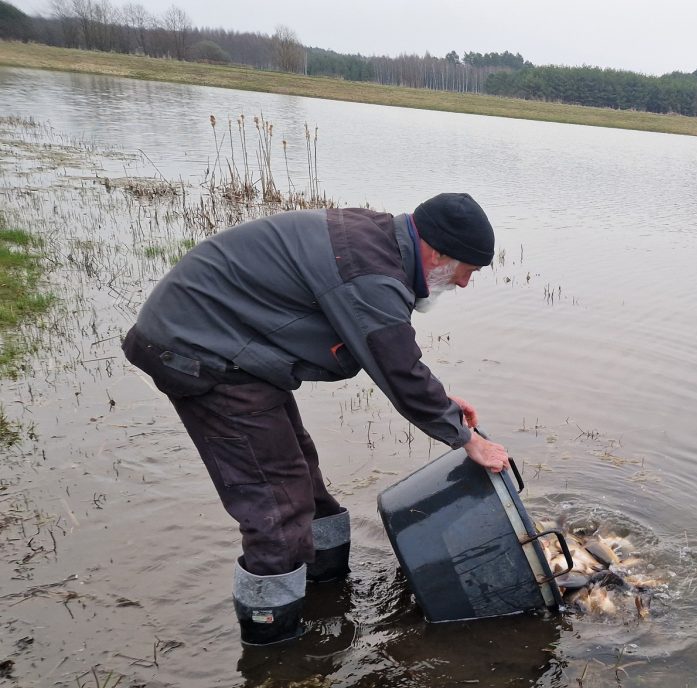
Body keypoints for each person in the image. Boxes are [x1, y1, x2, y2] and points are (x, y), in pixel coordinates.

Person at [122, 193, 510, 646]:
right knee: (276, 506)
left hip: (236, 351)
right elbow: (398, 368)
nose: (464, 283)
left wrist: (441, 401)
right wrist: (466, 439)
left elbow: (389, 355)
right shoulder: (371, 273)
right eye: (468, 269)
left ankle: (328, 584)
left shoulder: (377, 245)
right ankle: (273, 649)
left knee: (301, 475)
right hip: (197, 352)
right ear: (437, 251)